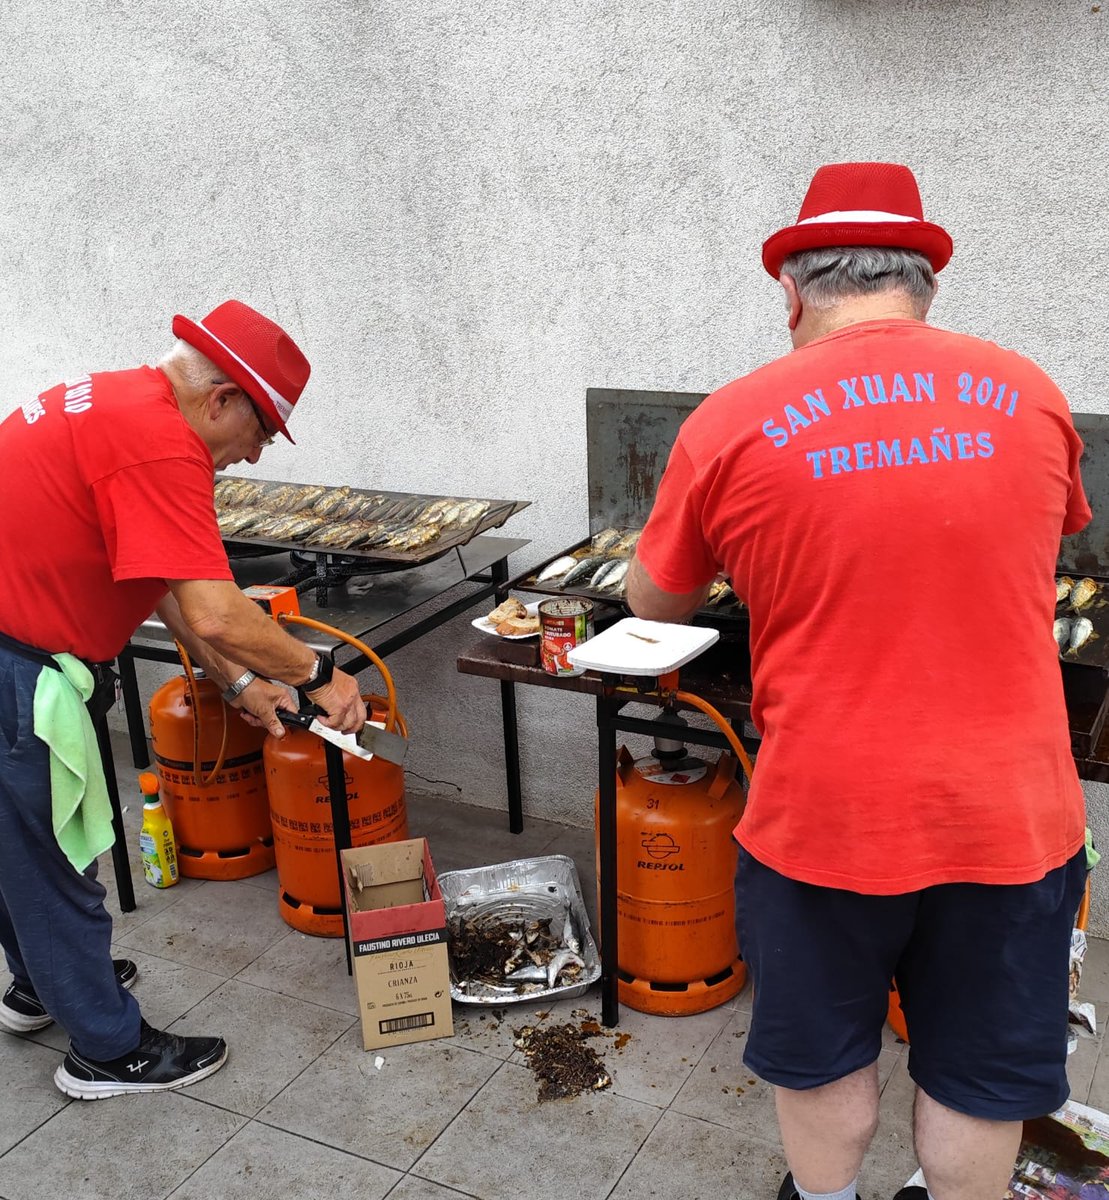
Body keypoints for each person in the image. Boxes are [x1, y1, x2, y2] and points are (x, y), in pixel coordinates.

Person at [627, 162, 1090, 1200]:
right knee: (979, 1070)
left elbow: (652, 604)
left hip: (821, 816)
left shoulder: (730, 420)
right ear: (925, 284)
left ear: (790, 289)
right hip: (1009, 813)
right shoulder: (1029, 394)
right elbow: (1040, 548)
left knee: (824, 1052)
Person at [0, 299, 367, 1099]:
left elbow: (161, 578)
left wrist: (238, 681)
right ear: (223, 398)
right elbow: (211, 608)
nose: (256, 453)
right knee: (47, 863)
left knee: (17, 850)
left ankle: (42, 987)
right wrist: (319, 673)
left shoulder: (118, 401)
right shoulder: (160, 444)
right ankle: (106, 1050)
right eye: (262, 430)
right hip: (14, 673)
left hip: (14, 651)